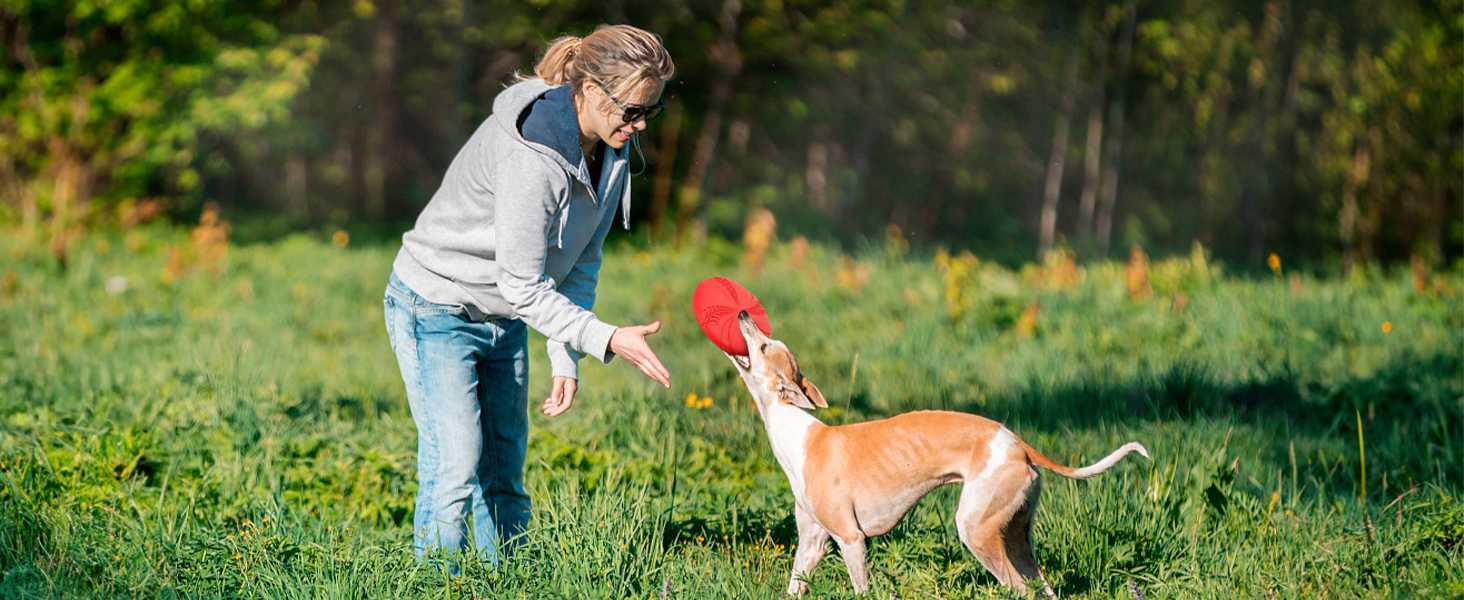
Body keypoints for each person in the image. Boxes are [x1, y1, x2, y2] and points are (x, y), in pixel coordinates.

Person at [381, 24, 674, 564]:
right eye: (631, 110)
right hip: (438, 306)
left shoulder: (608, 153)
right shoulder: (532, 156)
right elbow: (521, 283)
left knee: (504, 471)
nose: (637, 126)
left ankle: (511, 582)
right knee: (456, 469)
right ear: (588, 91)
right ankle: (437, 586)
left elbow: (579, 260)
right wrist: (605, 338)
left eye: (649, 113)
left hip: (506, 316)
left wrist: (567, 355)